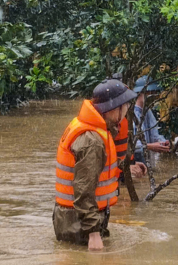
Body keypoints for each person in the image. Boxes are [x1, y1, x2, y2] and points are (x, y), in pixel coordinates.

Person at [53, 79, 143, 251]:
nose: (126, 112)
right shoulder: (93, 142)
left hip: (75, 220)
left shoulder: (93, 129)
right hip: (78, 225)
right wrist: (93, 234)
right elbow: (83, 190)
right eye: (124, 106)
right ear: (114, 109)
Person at [132, 76, 171, 162]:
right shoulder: (132, 114)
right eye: (151, 92)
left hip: (147, 160)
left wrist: (162, 142)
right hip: (134, 162)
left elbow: (154, 135)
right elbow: (130, 144)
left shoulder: (147, 112)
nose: (154, 96)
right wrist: (149, 146)